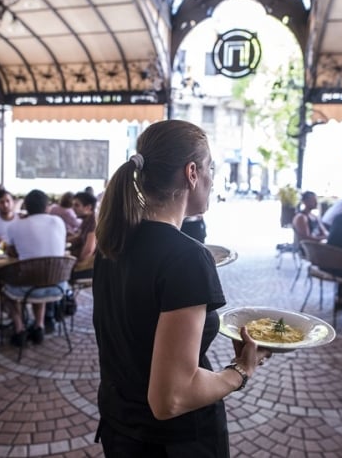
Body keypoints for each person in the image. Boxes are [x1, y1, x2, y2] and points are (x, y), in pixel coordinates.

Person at [92, 120, 269, 456]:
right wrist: (241, 371)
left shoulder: (112, 243)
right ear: (192, 172)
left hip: (120, 429)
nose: (212, 178)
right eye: (210, 168)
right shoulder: (187, 258)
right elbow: (170, 399)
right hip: (174, 444)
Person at [4, 189, 67, 346]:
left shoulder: (16, 225)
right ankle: (39, 326)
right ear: (47, 206)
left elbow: (10, 251)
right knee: (42, 276)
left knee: (5, 287)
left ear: (26, 206)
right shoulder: (58, 222)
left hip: (29, 287)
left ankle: (19, 329)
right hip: (58, 286)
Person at [68, 191, 97, 279]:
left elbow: (89, 250)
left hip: (89, 267)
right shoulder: (87, 220)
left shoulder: (93, 222)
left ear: (88, 207)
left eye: (77, 205)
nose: (73, 208)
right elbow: (80, 237)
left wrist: (75, 263)